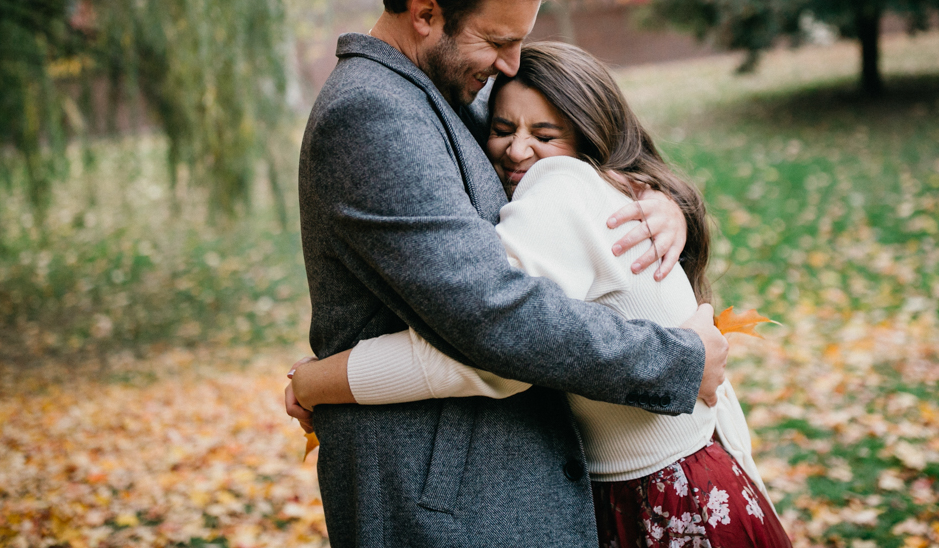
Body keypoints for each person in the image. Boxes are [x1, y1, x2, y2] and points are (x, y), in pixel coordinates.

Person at [295, 0, 729, 547]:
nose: (512, 65)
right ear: (424, 14)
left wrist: (664, 199)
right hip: (446, 502)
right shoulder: (374, 114)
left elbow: (579, 150)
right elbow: (491, 313)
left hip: (484, 486)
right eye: (498, 40)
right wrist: (675, 360)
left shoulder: (432, 93)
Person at [291, 43, 792, 548]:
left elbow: (487, 351)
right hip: (686, 481)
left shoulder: (559, 189)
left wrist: (320, 379)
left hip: (664, 501)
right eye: (503, 129)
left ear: (586, 134)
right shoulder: (600, 187)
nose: (518, 150)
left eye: (544, 135)